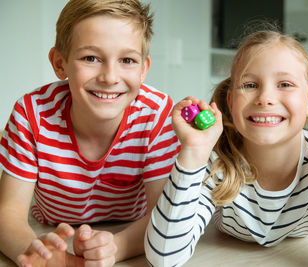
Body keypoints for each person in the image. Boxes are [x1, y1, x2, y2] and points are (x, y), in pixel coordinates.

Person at [145, 27, 308, 266]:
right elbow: (164, 258)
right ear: (231, 102)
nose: (265, 98)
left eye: (285, 84)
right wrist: (193, 152)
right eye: (250, 85)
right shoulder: (216, 163)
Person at [0, 0, 180, 266]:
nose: (109, 77)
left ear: (143, 69)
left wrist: (116, 247)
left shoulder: (157, 115)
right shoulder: (31, 113)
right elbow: (8, 214)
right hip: (48, 230)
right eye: (91, 58)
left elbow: (163, 217)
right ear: (60, 63)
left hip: (131, 229)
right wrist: (38, 253)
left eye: (127, 60)